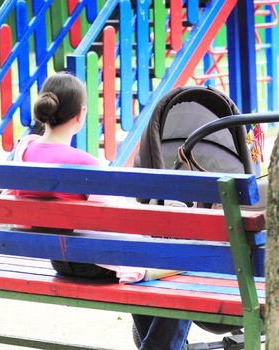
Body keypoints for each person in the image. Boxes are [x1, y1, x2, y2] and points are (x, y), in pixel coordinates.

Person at [11, 72, 192, 350]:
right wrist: (166, 210)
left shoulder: (25, 149)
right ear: (81, 115)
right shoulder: (84, 163)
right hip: (95, 263)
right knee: (191, 267)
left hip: (60, 258)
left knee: (155, 267)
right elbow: (121, 217)